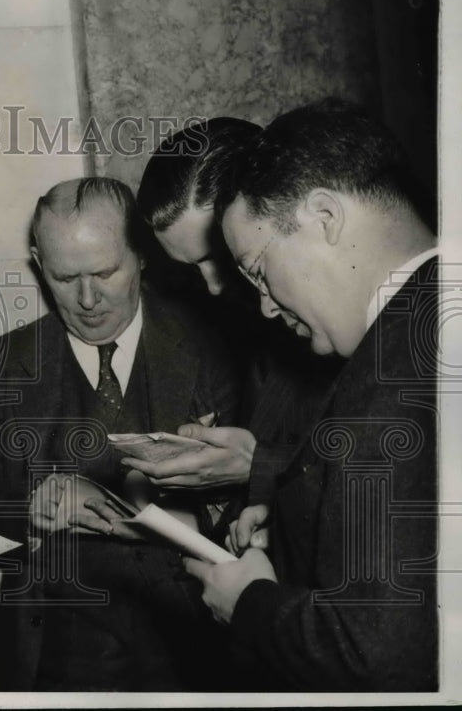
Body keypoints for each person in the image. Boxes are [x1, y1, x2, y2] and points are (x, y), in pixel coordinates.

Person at [79, 98, 438, 690]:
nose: (240, 295)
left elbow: (383, 649)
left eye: (246, 265)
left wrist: (252, 601)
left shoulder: (381, 367)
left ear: (320, 214)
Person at [0, 176, 240, 691]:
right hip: (55, 658)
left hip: (196, 647)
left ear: (143, 255)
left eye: (106, 272)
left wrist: (110, 515)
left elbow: (253, 506)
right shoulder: (0, 367)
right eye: (64, 277)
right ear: (39, 262)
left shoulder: (218, 345)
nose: (87, 299)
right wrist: (31, 512)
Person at [133, 118, 341, 505]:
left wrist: (257, 465)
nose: (212, 287)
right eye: (191, 269)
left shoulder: (340, 317)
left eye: (224, 258)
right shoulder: (253, 331)